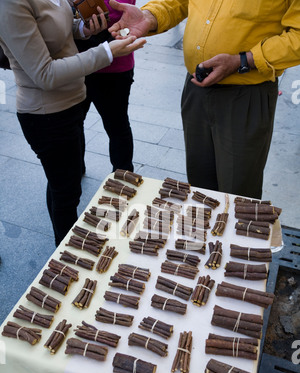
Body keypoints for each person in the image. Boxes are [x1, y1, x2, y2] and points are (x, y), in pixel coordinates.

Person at [108, 0, 300, 199]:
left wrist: (243, 61)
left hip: (246, 94)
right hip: (196, 88)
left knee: (237, 194)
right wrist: (149, 17)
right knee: (201, 188)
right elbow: (179, 2)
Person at [0, 0, 145, 247]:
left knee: (67, 185)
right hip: (46, 113)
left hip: (70, 103)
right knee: (65, 193)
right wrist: (107, 52)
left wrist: (83, 30)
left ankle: (67, 251)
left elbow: (56, 26)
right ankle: (65, 260)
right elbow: (45, 74)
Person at [81, 0, 137, 173]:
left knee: (116, 125)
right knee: (72, 124)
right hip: (76, 62)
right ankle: (73, 169)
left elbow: (118, 10)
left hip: (114, 66)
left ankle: (122, 177)